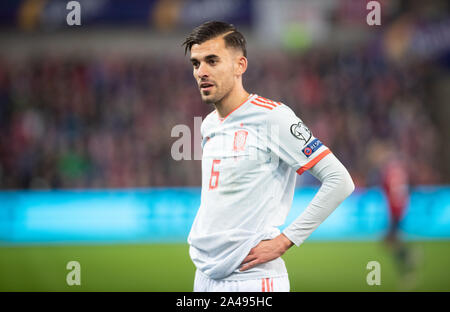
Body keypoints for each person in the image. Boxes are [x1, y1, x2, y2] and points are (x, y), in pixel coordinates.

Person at [183, 21, 354, 292]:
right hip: (204, 276)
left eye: (212, 61)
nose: (201, 72)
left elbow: (340, 180)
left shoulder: (273, 117)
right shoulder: (209, 125)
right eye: (196, 63)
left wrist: (285, 240)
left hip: (251, 278)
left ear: (240, 65)